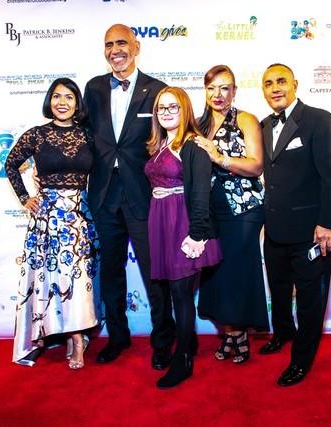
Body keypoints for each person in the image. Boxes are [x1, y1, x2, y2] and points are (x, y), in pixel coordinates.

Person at [83, 24, 176, 369]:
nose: (115, 50)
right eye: (109, 44)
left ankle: (163, 342)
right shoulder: (93, 88)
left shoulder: (158, 89)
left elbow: (171, 138)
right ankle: (117, 337)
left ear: (136, 47)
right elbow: (81, 135)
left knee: (155, 273)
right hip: (103, 195)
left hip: (144, 195)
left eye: (121, 42)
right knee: (111, 273)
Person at [259, 63, 331, 386]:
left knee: (310, 300)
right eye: (268, 83)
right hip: (274, 230)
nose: (275, 88)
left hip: (311, 232)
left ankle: (301, 360)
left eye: (281, 81)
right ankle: (283, 332)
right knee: (279, 290)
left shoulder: (319, 120)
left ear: (295, 84)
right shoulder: (263, 125)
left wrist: (328, 224)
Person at [6, 77, 100, 370]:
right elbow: (11, 164)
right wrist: (26, 198)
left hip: (80, 215)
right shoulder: (36, 135)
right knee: (54, 277)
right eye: (57, 96)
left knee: (78, 280)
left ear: (77, 103)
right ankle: (68, 335)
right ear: (50, 101)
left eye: (69, 97)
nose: (62, 102)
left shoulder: (88, 135)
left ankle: (77, 338)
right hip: (47, 219)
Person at [145, 86, 222, 388]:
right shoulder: (160, 143)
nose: (166, 112)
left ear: (185, 110)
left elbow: (201, 191)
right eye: (161, 108)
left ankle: (183, 360)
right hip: (161, 222)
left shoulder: (193, 145)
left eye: (172, 107)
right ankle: (189, 344)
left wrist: (197, 235)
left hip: (184, 224)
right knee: (175, 290)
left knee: (180, 293)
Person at [194, 65, 269, 364]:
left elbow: (256, 165)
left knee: (236, 270)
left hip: (244, 207)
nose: (218, 94)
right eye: (212, 88)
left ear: (234, 91)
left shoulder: (246, 120)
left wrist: (218, 157)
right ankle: (229, 331)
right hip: (211, 210)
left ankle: (237, 334)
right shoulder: (198, 125)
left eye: (224, 88)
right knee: (218, 270)